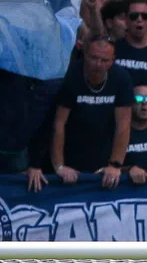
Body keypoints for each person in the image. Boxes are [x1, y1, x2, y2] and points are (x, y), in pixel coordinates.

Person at [52, 36, 133, 187]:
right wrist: (59, 165)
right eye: (94, 58)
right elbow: (59, 123)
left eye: (104, 60)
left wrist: (115, 164)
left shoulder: (121, 79)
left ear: (113, 60)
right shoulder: (70, 75)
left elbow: (123, 125)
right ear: (85, 54)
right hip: (72, 152)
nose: (98, 64)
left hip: (103, 154)